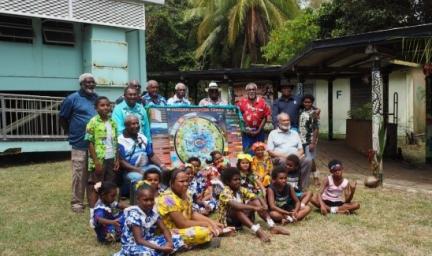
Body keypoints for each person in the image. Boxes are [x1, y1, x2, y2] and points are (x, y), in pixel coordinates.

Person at [59, 73, 98, 213]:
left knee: (93, 173)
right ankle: (77, 203)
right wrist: (71, 133)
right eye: (87, 82)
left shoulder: (96, 98)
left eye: (92, 82)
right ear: (81, 84)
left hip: (96, 144)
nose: (90, 84)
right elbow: (63, 118)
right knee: (79, 173)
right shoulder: (72, 99)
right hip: (79, 143)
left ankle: (93, 201)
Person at [218, 167, 289, 242]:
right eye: (235, 180)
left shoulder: (240, 189)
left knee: (256, 201)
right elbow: (236, 206)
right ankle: (257, 231)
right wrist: (254, 208)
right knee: (237, 209)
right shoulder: (225, 192)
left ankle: (272, 226)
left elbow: (257, 197)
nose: (238, 181)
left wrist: (264, 204)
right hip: (230, 222)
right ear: (227, 182)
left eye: (239, 179)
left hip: (240, 218)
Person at [156, 169, 224, 247]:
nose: (185, 184)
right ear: (171, 183)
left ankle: (209, 237)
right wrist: (206, 224)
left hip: (184, 228)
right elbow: (182, 223)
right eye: (181, 181)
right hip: (171, 231)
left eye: (187, 181)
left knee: (214, 226)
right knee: (203, 232)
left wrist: (211, 222)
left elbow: (192, 213)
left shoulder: (185, 193)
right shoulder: (167, 199)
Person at [118, 183, 184, 255]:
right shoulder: (134, 214)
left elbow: (164, 229)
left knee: (177, 238)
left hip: (148, 242)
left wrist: (169, 243)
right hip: (133, 245)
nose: (149, 203)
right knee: (146, 253)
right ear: (138, 200)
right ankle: (162, 251)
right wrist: (160, 248)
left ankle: (163, 251)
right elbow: (139, 240)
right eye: (145, 200)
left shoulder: (153, 212)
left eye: (151, 200)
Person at [118, 115, 166, 197]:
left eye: (137, 123)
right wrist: (138, 170)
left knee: (159, 172)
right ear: (126, 126)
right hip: (130, 170)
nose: (136, 126)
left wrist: (162, 165)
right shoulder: (120, 141)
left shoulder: (142, 137)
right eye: (133, 124)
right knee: (140, 177)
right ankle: (142, 198)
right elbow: (122, 162)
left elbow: (151, 154)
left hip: (146, 167)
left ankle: (160, 196)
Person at [85, 96, 120, 208]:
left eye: (108, 105)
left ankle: (108, 207)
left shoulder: (113, 122)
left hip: (111, 158)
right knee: (97, 185)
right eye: (102, 105)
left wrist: (117, 159)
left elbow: (116, 141)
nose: (106, 107)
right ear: (96, 108)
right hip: (99, 159)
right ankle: (93, 210)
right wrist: (96, 162)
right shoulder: (93, 122)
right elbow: (89, 142)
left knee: (109, 185)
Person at [267, 112, 312, 190]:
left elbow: (301, 150)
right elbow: (270, 151)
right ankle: (285, 186)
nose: (287, 122)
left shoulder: (294, 133)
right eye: (284, 120)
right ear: (278, 122)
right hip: (280, 157)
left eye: (288, 120)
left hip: (296, 157)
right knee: (283, 161)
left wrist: (295, 157)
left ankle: (302, 186)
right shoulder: (273, 133)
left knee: (308, 160)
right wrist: (286, 156)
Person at [236, 83, 271, 153]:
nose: (251, 91)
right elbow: (238, 117)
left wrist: (258, 131)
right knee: (247, 152)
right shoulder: (241, 103)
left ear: (256, 91)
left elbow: (265, 116)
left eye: (253, 89)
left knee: (260, 152)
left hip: (259, 131)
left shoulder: (262, 102)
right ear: (246, 91)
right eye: (249, 90)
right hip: (246, 133)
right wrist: (244, 129)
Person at [299, 94, 320, 186]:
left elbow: (316, 129)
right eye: (305, 102)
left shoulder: (314, 113)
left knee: (311, 159)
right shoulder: (301, 111)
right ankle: (303, 176)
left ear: (312, 103)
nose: (307, 103)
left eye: (309, 102)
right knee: (303, 158)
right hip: (301, 139)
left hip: (309, 140)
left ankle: (316, 177)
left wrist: (313, 142)